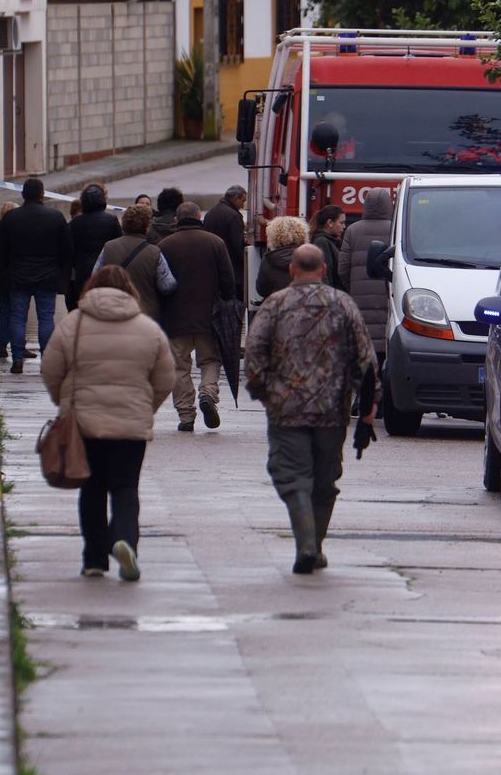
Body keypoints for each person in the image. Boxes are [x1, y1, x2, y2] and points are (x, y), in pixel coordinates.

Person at [245, 244, 379, 574]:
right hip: (332, 410)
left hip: (286, 409)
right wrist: (369, 406)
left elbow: (254, 352)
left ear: (292, 270)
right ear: (323, 270)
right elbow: (366, 359)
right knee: (324, 481)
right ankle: (314, 545)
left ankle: (306, 544)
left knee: (292, 476)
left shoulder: (275, 304)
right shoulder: (343, 304)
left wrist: (264, 393)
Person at [42, 265, 176, 582]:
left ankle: (94, 559)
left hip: (83, 423)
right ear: (130, 291)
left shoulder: (73, 324)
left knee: (92, 489)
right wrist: (147, 408)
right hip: (131, 424)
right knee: (126, 487)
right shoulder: (148, 328)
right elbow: (166, 378)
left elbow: (50, 369)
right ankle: (125, 540)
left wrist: (64, 402)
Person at [158, 201, 235, 431]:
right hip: (209, 316)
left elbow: (160, 282)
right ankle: (208, 393)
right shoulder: (215, 242)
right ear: (199, 217)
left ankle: (185, 415)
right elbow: (227, 280)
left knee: (179, 366)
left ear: (176, 219)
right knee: (210, 360)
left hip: (176, 316)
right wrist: (226, 300)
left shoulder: (165, 245)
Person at [0, 177, 73, 374]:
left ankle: (17, 359)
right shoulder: (55, 217)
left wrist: (3, 273)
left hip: (18, 274)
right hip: (47, 275)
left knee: (17, 317)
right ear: (42, 194)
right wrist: (60, 272)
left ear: (23, 194)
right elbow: (67, 249)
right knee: (46, 317)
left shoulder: (11, 218)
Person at [338, 188, 394, 402]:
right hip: (388, 295)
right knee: (386, 349)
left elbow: (343, 267)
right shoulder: (395, 228)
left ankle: (363, 398)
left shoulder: (353, 230)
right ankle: (382, 400)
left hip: (359, 299)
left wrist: (351, 287)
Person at [94, 204, 178, 319]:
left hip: (114, 313)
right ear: (146, 227)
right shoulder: (154, 252)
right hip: (145, 316)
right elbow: (167, 286)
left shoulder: (108, 247)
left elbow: (95, 277)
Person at [0, 202, 36, 364]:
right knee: (19, 313)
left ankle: (2, 345)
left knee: (5, 310)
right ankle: (19, 346)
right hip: (17, 276)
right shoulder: (17, 234)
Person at [67, 184, 122, 311]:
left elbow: (70, 249)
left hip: (82, 270)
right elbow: (118, 244)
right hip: (105, 270)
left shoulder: (75, 222)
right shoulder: (111, 220)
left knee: (84, 307)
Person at [204, 185, 248, 302]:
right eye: (242, 201)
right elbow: (238, 246)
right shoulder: (234, 216)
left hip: (213, 267)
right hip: (233, 270)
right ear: (236, 197)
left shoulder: (210, 213)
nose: (242, 206)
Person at [256, 216, 309, 299]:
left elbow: (262, 290)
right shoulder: (310, 257)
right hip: (306, 304)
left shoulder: (268, 260)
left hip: (277, 304)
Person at [311, 205, 347, 291]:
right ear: (330, 223)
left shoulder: (330, 241)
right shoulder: (322, 242)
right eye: (341, 223)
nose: (344, 226)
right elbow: (325, 274)